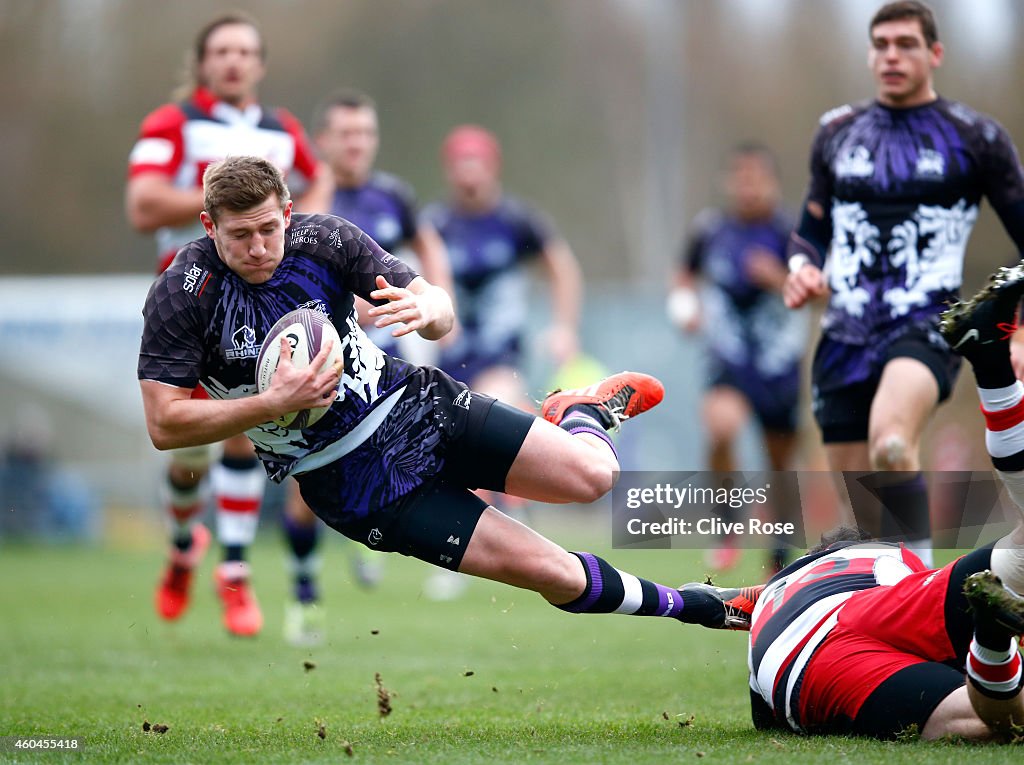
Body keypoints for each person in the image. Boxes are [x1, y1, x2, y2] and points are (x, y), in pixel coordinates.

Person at [137, 156, 757, 656]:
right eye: (239, 235)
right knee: (555, 574)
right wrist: (274, 403)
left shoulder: (323, 240)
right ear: (208, 226)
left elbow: (434, 305)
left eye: (269, 229)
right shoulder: (183, 295)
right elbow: (165, 423)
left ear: (288, 213)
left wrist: (431, 310)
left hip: (418, 409)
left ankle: (583, 412)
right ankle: (707, 606)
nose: (257, 246)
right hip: (356, 486)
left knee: (596, 476)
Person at [708, 262, 1024, 740]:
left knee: (992, 717)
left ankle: (993, 641)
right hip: (824, 638)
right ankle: (993, 643)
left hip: (797, 655)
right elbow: (703, 603)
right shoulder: (892, 563)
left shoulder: (843, 573)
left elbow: (697, 603)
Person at [782, 0, 1024, 567]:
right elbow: (807, 232)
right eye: (882, 44)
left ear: (934, 54)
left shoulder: (976, 138)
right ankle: (896, 604)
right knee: (865, 517)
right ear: (870, 54)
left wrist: (1014, 327)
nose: (892, 55)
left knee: (891, 441)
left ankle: (923, 602)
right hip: (843, 333)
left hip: (927, 322)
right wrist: (802, 270)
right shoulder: (837, 132)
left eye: (906, 44)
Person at [125, 12, 325, 636]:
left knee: (249, 421)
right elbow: (143, 204)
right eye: (222, 51)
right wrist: (231, 201)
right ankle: (185, 542)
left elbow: (315, 196)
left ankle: (234, 572)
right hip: (188, 305)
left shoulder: (284, 131)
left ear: (260, 64)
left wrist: (292, 235)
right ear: (203, 62)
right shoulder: (172, 123)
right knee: (187, 454)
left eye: (245, 51)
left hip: (261, 302)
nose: (234, 61)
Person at [279, 88, 452, 645]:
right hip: (313, 361)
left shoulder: (393, 196)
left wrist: (436, 301)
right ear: (323, 141)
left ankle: (366, 534)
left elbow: (428, 251)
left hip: (384, 355)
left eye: (366, 133)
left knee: (402, 464)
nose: (357, 144)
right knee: (303, 488)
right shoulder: (299, 200)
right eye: (346, 134)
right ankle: (304, 590)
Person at [420, 125, 584, 598]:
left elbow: (562, 268)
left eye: (477, 162)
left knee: (492, 405)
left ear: (493, 167)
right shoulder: (436, 223)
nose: (469, 173)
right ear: (450, 170)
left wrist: (564, 326)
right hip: (449, 352)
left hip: (501, 351)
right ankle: (464, 541)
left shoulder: (517, 221)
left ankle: (513, 512)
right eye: (460, 163)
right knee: (446, 444)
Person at [672, 143, 808, 575]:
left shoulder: (793, 233)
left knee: (780, 462)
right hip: (728, 356)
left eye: (756, 178)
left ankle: (779, 556)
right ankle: (728, 523)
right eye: (740, 178)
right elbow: (683, 271)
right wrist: (684, 303)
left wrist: (778, 278)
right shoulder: (711, 230)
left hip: (778, 361)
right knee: (720, 425)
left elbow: (822, 293)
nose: (747, 188)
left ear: (772, 183)